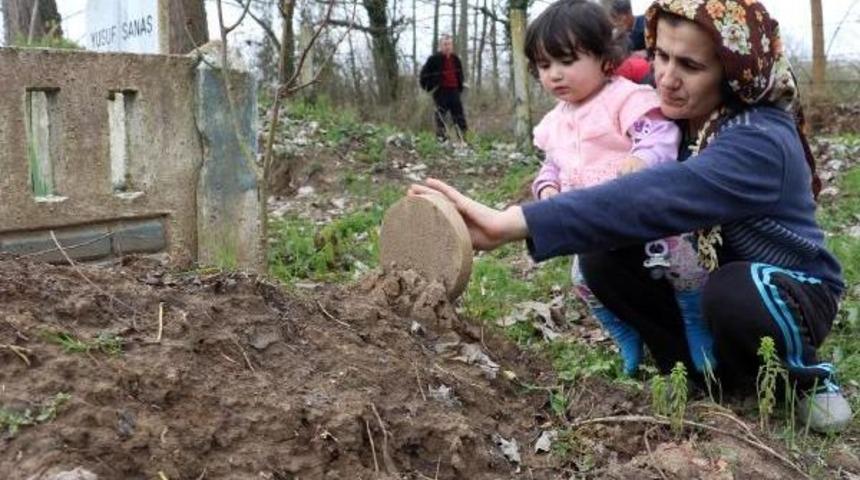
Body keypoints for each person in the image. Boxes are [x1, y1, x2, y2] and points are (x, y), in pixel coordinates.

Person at [411, 0, 853, 433]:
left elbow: (657, 195)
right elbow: (611, 189)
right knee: (602, 254)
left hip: (783, 290)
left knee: (733, 289)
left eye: (690, 66)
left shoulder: (759, 139)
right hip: (703, 281)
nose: (667, 78)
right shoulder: (671, 114)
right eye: (661, 55)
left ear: (734, 72)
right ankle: (696, 370)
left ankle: (806, 378)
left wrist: (515, 221)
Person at [525, 0, 712, 377]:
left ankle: (695, 319)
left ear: (603, 56)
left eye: (566, 61)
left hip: (640, 210)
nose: (555, 75)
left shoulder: (624, 98)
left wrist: (641, 160)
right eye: (544, 66)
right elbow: (552, 164)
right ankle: (623, 331)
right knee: (583, 281)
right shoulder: (554, 122)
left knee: (684, 265)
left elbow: (659, 135)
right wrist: (546, 190)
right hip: (591, 223)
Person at [419, 34, 468, 142]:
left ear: (452, 46)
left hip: (454, 91)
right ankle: (442, 139)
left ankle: (462, 138)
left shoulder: (456, 59)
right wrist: (430, 86)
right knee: (441, 116)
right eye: (445, 44)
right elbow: (423, 75)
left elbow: (460, 75)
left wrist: (460, 87)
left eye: (449, 44)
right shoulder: (433, 59)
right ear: (440, 46)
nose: (447, 47)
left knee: (459, 116)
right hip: (441, 91)